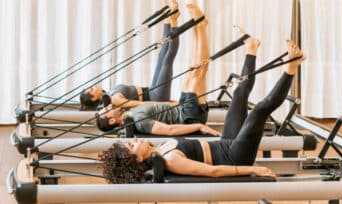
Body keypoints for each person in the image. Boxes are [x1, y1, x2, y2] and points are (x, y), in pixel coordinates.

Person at [99, 11, 306, 184]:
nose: (135, 140)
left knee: (239, 94)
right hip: (234, 156)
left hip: (226, 143)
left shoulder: (161, 148)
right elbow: (212, 172)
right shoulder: (169, 159)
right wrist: (253, 170)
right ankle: (292, 66)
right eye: (132, 146)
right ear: (137, 159)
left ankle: (251, 47)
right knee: (260, 110)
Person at [96, 3, 220, 137]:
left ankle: (198, 25)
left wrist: (172, 103)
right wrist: (199, 126)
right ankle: (201, 27)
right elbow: (169, 130)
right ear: (113, 120)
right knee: (199, 71)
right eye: (106, 111)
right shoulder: (140, 122)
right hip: (189, 116)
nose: (108, 106)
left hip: (181, 107)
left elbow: (158, 108)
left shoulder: (131, 112)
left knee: (192, 69)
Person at [80, 0, 180, 110]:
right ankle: (174, 19)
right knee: (167, 59)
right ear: (94, 98)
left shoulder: (109, 94)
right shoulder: (115, 101)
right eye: (91, 90)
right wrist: (167, 105)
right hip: (156, 98)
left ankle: (169, 14)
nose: (93, 87)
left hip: (151, 91)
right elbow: (141, 105)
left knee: (162, 55)